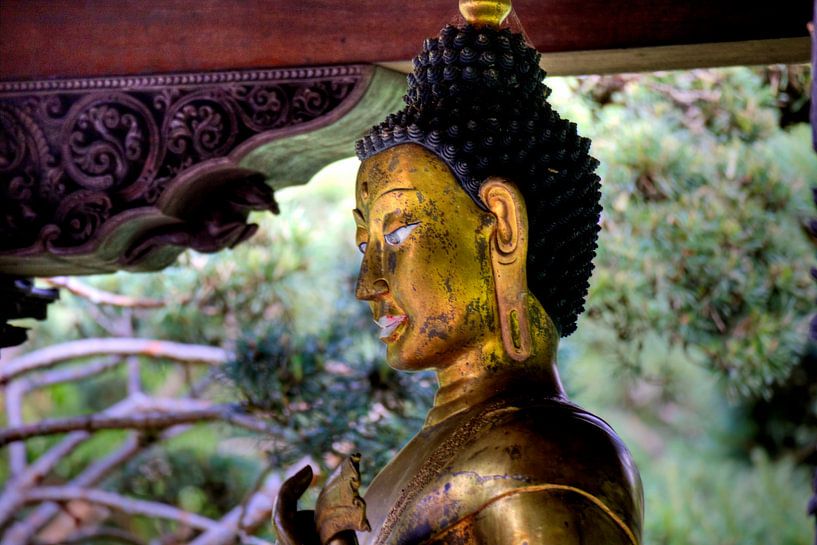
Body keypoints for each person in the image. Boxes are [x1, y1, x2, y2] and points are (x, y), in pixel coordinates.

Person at [274, 3, 643, 543]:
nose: (367, 284)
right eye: (365, 244)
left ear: (502, 228)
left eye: (397, 235)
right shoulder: (430, 455)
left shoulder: (550, 456)